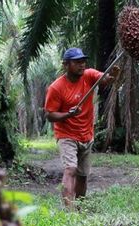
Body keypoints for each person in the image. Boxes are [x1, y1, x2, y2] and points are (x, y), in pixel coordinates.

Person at [44, 47, 120, 209]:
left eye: (83, 61)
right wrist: (67, 115)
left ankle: (80, 207)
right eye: (77, 62)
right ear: (66, 64)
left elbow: (106, 79)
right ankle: (69, 209)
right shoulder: (56, 88)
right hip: (66, 135)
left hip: (86, 134)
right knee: (70, 169)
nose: (82, 65)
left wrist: (113, 75)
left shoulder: (89, 75)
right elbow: (50, 115)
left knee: (83, 175)